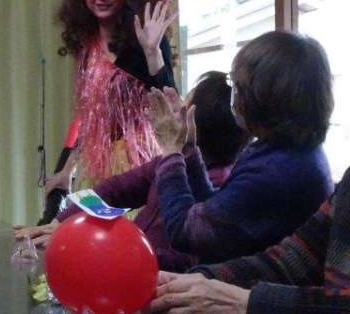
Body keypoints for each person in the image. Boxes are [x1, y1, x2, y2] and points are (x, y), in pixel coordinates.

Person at [18, 71, 250, 272]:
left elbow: (181, 260)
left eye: (183, 106)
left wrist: (97, 246)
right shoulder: (168, 161)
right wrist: (61, 223)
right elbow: (113, 191)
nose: (173, 111)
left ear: (196, 125)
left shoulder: (223, 188)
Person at [147, 31, 334, 265]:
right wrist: (188, 149)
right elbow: (215, 212)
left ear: (263, 97)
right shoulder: (286, 150)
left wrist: (170, 153)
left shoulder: (277, 172)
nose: (234, 96)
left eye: (237, 86)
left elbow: (184, 232)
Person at [36, 0, 177, 225]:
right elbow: (90, 115)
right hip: (97, 167)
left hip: (140, 167)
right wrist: (67, 170)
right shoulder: (86, 43)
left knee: (131, 240)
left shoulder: (147, 35)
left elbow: (170, 104)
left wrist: (152, 51)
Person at [148, 165, 350, 313]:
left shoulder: (278, 171)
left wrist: (249, 302)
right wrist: (193, 283)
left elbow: (188, 230)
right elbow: (295, 260)